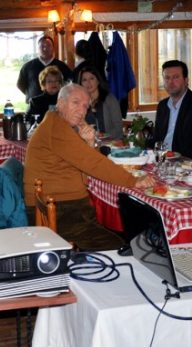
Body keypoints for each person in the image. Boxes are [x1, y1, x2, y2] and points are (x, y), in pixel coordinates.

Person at [23, 83, 155, 251]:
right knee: (123, 248)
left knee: (122, 236)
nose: (81, 111)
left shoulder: (56, 122)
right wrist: (133, 181)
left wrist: (89, 142)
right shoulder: (57, 128)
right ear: (60, 103)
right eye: (75, 103)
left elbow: (82, 162)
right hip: (62, 211)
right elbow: (94, 164)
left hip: (61, 206)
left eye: (85, 106)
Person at [151, 60, 192, 157]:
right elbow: (157, 139)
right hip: (162, 158)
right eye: (167, 78)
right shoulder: (162, 106)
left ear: (186, 80)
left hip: (185, 161)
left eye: (176, 77)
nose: (170, 82)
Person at [17, 35, 72, 103]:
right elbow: (20, 85)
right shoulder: (28, 66)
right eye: (42, 46)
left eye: (48, 46)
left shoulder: (62, 66)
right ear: (38, 48)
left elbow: (70, 84)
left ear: (53, 48)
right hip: (34, 105)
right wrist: (31, 94)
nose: (45, 48)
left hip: (58, 104)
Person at [78, 66, 123, 139]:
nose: (88, 83)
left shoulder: (110, 100)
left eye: (92, 78)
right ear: (81, 84)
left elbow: (118, 127)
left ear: (98, 80)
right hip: (87, 143)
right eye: (84, 80)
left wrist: (102, 137)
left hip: (111, 142)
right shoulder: (80, 103)